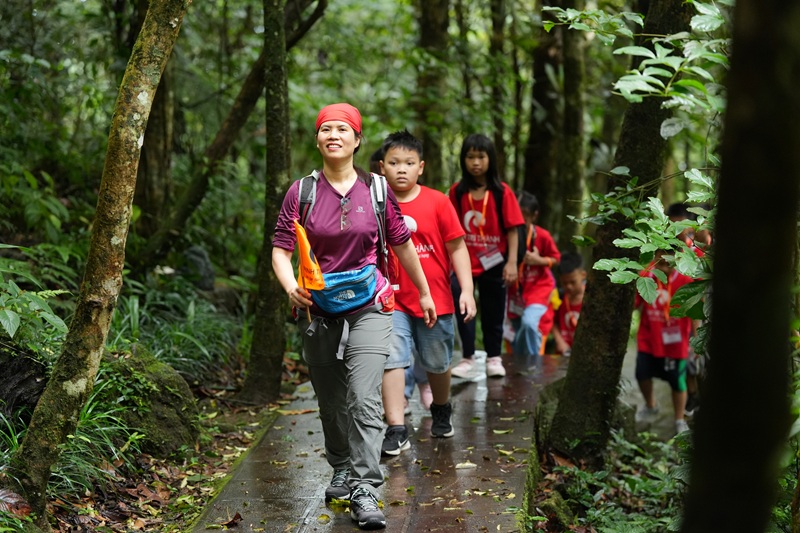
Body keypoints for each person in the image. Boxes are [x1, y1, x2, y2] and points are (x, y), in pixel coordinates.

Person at [271, 103, 436, 530]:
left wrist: (423, 290)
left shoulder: (377, 190)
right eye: (326, 129)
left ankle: (365, 489)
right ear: (318, 140)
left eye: (343, 129)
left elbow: (400, 244)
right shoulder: (301, 192)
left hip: (370, 305)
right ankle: (341, 465)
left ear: (357, 140)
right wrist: (291, 286)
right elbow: (280, 248)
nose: (334, 135)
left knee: (363, 398)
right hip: (319, 307)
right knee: (330, 401)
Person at [378, 130, 476, 455]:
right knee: (392, 359)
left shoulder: (438, 201)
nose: (401, 169)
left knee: (437, 361)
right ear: (382, 167)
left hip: (435, 298)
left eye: (408, 163)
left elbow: (458, 248)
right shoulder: (376, 204)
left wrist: (467, 290)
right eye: (394, 163)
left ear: (421, 167)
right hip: (390, 299)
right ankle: (395, 427)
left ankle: (441, 407)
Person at [449, 134, 525, 379]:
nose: (476, 163)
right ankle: (467, 357)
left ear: (490, 159)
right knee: (464, 311)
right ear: (463, 160)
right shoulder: (457, 192)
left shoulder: (502, 192)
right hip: (463, 264)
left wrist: (512, 262)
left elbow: (513, 229)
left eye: (481, 157)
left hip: (495, 263)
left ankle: (494, 357)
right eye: (470, 157)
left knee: (494, 311)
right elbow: (448, 229)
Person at [634, 249, 695, 435]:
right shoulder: (646, 276)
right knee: (642, 373)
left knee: (677, 381)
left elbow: (694, 311)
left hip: (676, 342)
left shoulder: (686, 280)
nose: (664, 268)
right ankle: (651, 404)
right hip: (649, 337)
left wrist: (696, 338)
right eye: (660, 263)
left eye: (668, 264)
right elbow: (635, 303)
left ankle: (679, 419)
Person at [507, 191, 560, 366]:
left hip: (538, 290)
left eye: (526, 216)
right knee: (513, 334)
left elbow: (556, 259)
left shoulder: (542, 236)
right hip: (514, 294)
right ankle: (522, 370)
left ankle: (531, 367)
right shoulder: (508, 234)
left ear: (534, 216)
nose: (521, 221)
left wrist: (540, 260)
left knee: (529, 324)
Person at [552, 251, 586, 356]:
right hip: (563, 353)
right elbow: (552, 321)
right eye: (564, 283)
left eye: (573, 282)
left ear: (583, 275)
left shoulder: (591, 298)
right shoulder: (559, 297)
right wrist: (559, 341)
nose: (569, 287)